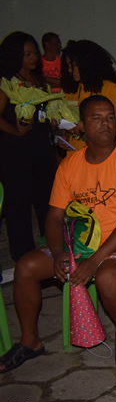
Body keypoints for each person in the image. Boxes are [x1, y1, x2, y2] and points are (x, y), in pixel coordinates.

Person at [0, 95, 116, 373]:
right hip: (80, 240)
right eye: (96, 118)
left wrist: (94, 261)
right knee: (26, 267)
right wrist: (59, 252)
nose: (106, 123)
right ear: (81, 125)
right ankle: (30, 341)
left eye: (110, 117)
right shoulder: (70, 164)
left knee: (107, 275)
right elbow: (54, 217)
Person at [0, 31, 57, 262]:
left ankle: (49, 251)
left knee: (47, 202)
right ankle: (23, 258)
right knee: (18, 206)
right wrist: (15, 131)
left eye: (34, 53)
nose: (33, 58)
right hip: (16, 152)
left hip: (41, 149)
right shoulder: (7, 82)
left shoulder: (37, 79)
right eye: (27, 54)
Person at [60, 40, 116, 153]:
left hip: (102, 152)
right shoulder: (70, 91)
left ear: (86, 64)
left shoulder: (109, 88)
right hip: (75, 153)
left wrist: (86, 130)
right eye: (68, 66)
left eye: (73, 65)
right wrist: (66, 135)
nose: (70, 70)